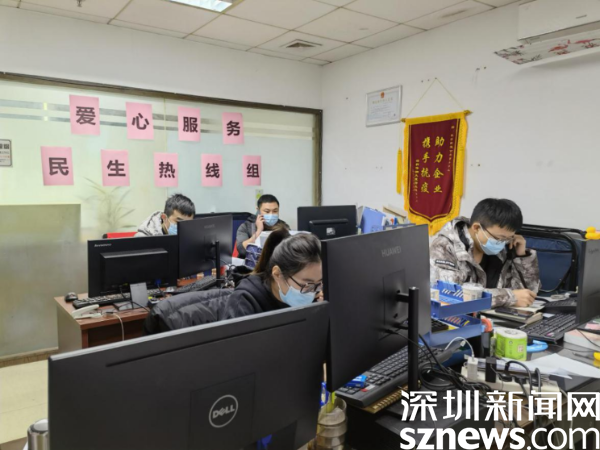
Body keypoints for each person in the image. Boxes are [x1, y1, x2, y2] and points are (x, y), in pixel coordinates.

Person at [429, 198, 540, 308]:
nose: (502, 243)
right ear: (477, 228)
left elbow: (528, 295)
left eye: (508, 238)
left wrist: (521, 256)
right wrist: (509, 297)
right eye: (499, 238)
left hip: (494, 316)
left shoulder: (503, 249)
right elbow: (448, 295)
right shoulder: (443, 247)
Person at [224, 233, 323, 319]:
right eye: (306, 285)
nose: (312, 293)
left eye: (319, 283)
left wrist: (322, 311)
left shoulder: (316, 297)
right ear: (277, 274)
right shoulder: (243, 303)